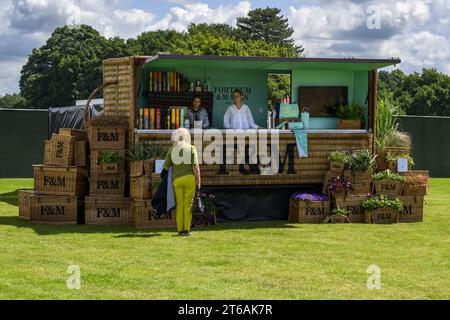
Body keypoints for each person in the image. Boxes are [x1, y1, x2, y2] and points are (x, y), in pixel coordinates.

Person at [163, 128, 201, 236]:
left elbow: (165, 167)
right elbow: (195, 166)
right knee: (188, 204)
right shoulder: (192, 148)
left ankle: (179, 230)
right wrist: (198, 181)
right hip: (189, 179)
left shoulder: (172, 149)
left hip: (177, 180)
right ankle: (187, 230)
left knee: (179, 205)